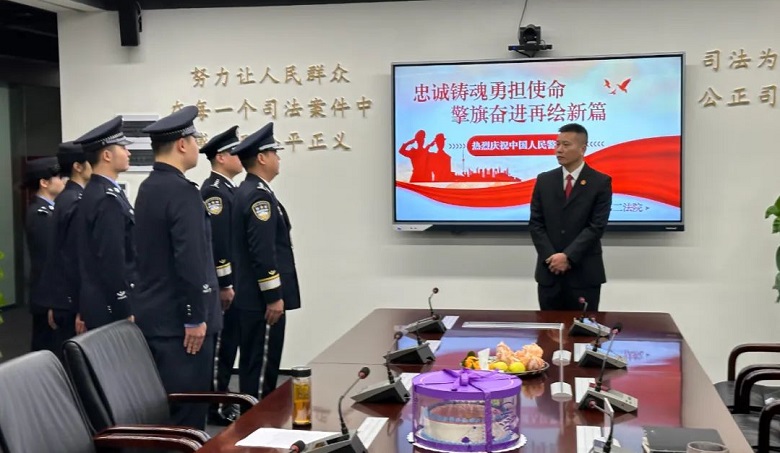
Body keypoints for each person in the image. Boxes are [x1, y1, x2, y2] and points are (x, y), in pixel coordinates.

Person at [133, 105, 222, 430]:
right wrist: (194, 316)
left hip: (158, 321)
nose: (198, 146)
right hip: (182, 328)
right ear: (182, 144)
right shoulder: (182, 192)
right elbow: (190, 261)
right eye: (195, 140)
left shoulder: (149, 187)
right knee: (187, 418)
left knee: (163, 415)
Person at [230, 122, 301, 399]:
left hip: (250, 297)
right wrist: (273, 296)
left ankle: (254, 420)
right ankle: (257, 423)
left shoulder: (249, 190)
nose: (278, 158)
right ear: (261, 158)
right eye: (274, 153)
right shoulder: (258, 196)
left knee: (256, 366)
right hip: (260, 302)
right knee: (261, 372)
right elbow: (262, 252)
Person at [529, 123, 612, 311]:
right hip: (549, 273)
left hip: (584, 273)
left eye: (566, 145)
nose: (559, 150)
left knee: (583, 328)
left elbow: (596, 226)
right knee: (548, 328)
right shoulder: (544, 180)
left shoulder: (600, 182)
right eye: (557, 144)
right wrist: (552, 257)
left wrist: (568, 257)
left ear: (582, 149)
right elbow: (536, 224)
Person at [72, 116, 136, 330]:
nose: (128, 153)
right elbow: (112, 258)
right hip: (110, 304)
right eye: (123, 148)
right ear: (107, 155)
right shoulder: (106, 199)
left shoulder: (97, 191)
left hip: (99, 300)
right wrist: (124, 307)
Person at [199, 125, 243, 425]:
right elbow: (219, 244)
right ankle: (214, 404)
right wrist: (225, 282)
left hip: (234, 282)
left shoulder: (229, 189)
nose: (241, 157)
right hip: (222, 285)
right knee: (221, 347)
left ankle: (223, 397)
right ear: (221, 157)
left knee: (229, 346)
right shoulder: (214, 192)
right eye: (235, 152)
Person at [39, 141, 92, 352]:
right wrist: (82, 307)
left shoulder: (64, 198)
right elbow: (74, 257)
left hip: (62, 298)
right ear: (77, 167)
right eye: (90, 161)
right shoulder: (76, 201)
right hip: (73, 302)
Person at [23, 157, 64, 351]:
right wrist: (51, 302)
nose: (62, 181)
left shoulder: (49, 210)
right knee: (47, 351)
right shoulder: (41, 214)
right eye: (58, 177)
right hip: (46, 298)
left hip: (49, 296)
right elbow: (47, 261)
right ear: (44, 183)